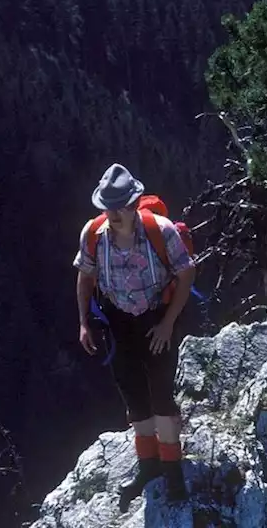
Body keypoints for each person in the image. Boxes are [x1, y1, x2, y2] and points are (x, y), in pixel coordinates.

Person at [73, 163, 196, 510]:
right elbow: (84, 276)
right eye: (107, 207)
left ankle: (173, 473)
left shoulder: (162, 231)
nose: (111, 213)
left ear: (133, 203)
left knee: (161, 396)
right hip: (117, 321)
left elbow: (186, 273)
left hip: (156, 319)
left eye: (118, 207)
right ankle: (149, 466)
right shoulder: (94, 234)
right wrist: (84, 320)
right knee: (134, 396)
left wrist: (169, 323)